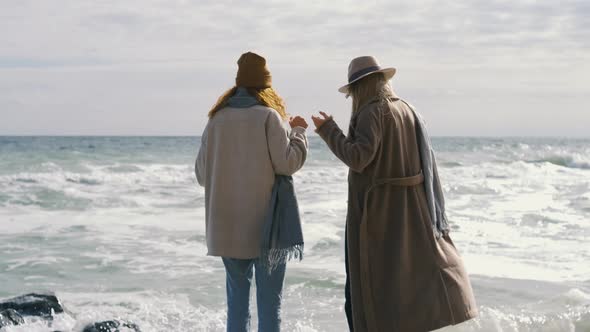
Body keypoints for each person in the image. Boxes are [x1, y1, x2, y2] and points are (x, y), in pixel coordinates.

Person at [311, 56, 477, 331]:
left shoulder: (371, 112)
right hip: (413, 211)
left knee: (363, 289)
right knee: (405, 288)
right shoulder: (408, 110)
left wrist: (328, 130)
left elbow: (358, 157)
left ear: (359, 88)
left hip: (379, 214)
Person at [195, 51, 308, 332]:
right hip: (266, 229)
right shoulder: (268, 117)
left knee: (237, 308)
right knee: (270, 307)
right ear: (265, 87)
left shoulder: (216, 119)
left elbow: (201, 175)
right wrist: (298, 133)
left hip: (226, 227)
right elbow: (287, 164)